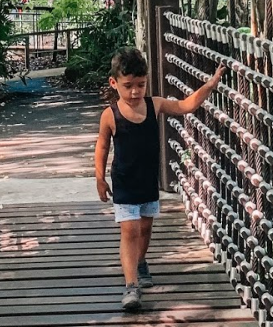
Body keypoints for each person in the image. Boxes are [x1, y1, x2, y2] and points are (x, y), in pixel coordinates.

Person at [94, 46, 226, 312]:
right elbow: (102, 146)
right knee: (129, 230)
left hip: (147, 182)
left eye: (140, 85)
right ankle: (131, 286)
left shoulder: (154, 105)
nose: (134, 92)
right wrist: (99, 177)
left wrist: (209, 85)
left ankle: (141, 262)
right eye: (128, 85)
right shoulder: (110, 114)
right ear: (114, 83)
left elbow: (184, 106)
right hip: (124, 182)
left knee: (145, 229)